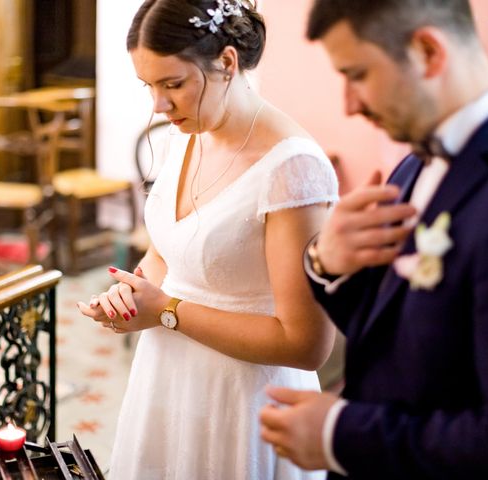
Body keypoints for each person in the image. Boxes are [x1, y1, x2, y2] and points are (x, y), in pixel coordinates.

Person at [259, 0, 488, 479]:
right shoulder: (416, 159)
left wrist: (338, 435)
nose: (349, 104)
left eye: (357, 74)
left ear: (427, 51)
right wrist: (327, 263)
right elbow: (395, 329)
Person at [76, 0, 339, 478]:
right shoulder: (189, 132)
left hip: (243, 399)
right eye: (149, 86)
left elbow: (306, 343)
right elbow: (166, 250)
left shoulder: (292, 168)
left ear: (227, 63)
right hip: (166, 379)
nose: (158, 104)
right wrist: (130, 296)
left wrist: (169, 312)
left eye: (172, 84)